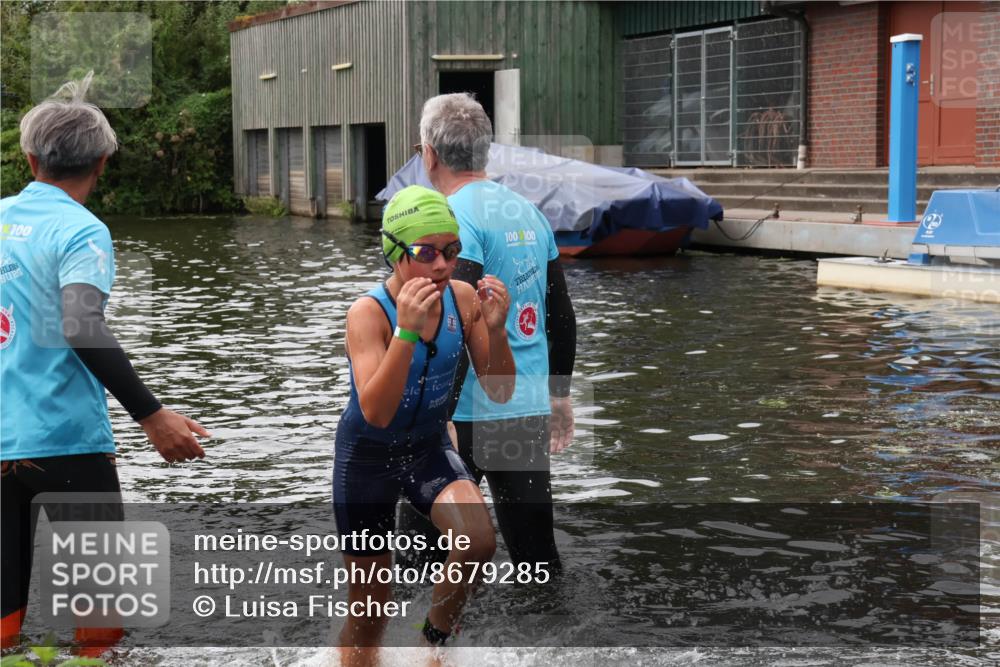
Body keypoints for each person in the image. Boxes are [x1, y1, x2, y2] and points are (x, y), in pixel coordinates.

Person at [0, 74, 210, 657]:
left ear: (30, 157)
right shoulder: (80, 230)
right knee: (99, 637)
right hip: (66, 446)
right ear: (100, 163)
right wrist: (152, 414)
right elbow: (80, 325)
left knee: (2, 633)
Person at [333, 185, 515, 665]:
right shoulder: (368, 314)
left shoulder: (462, 299)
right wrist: (406, 332)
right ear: (395, 252)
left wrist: (496, 331)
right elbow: (375, 411)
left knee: (476, 542)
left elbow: (500, 390)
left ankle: (430, 648)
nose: (441, 265)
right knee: (371, 610)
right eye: (426, 252)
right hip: (367, 460)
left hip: (426, 448)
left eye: (451, 251)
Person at [400, 93, 577, 571]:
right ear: (485, 151)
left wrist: (439, 418)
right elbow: (561, 314)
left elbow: (457, 319)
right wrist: (559, 395)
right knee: (535, 556)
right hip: (525, 406)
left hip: (465, 413)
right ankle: (550, 641)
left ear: (430, 155)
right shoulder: (530, 213)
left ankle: (426, 642)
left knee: (422, 549)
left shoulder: (450, 217)